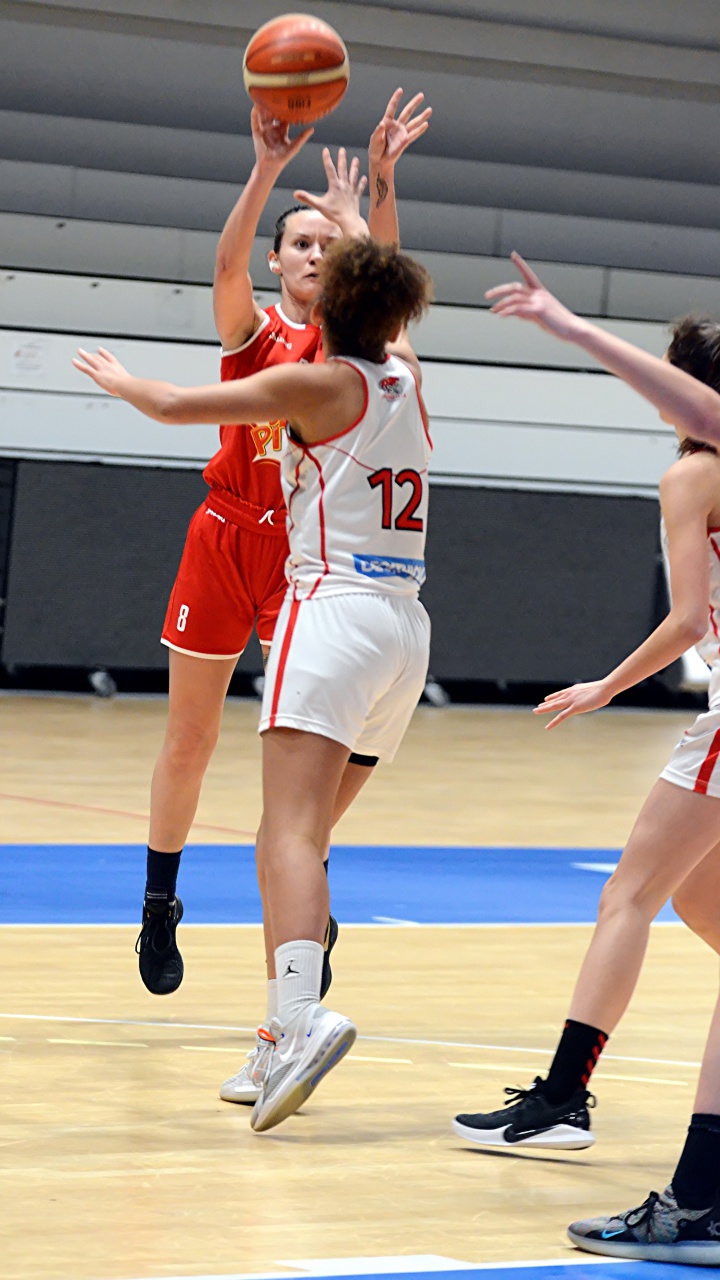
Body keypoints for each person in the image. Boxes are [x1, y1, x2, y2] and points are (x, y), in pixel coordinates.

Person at [74, 210, 435, 1132]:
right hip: (407, 628)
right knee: (293, 839)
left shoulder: (315, 382)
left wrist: (122, 382)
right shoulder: (408, 377)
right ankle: (279, 1031)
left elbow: (171, 406)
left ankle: (300, 1017)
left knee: (288, 837)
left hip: (331, 610)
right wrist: (370, 205)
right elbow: (389, 304)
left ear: (336, 298)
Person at [133, 89, 430, 1046]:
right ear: (277, 260)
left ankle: (302, 936)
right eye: (297, 244)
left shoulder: (355, 357)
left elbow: (387, 281)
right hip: (230, 538)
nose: (312, 255)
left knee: (303, 779)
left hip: (311, 568)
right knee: (192, 738)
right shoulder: (265, 341)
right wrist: (266, 169)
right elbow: (228, 267)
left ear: (344, 273)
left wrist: (377, 194)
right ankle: (160, 900)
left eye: (326, 246)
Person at [452, 253, 720, 1264]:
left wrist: (607, 684)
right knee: (692, 899)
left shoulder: (693, 470)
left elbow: (689, 619)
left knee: (630, 893)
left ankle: (584, 1109)